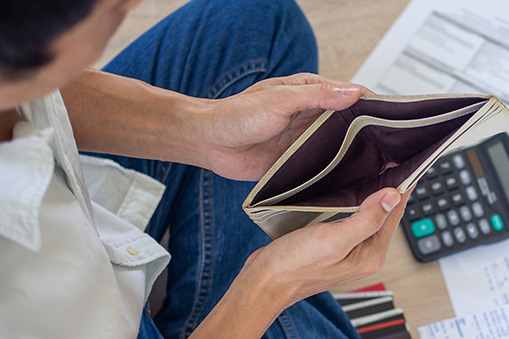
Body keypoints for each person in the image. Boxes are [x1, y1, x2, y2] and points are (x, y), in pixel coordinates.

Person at [0, 0, 412, 337]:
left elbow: (36, 90)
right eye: (112, 8)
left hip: (87, 234)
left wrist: (203, 128)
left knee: (261, 26)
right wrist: (270, 285)